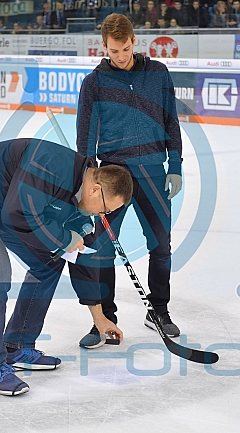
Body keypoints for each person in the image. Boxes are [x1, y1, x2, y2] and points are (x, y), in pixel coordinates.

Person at [0, 138, 132, 395]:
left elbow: (77, 257)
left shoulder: (81, 200)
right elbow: (18, 213)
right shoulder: (53, 166)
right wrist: (64, 239)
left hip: (1, 203)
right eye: (106, 209)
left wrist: (99, 317)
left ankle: (17, 344)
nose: (102, 216)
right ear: (95, 189)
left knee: (48, 264)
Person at [74, 14, 184, 349]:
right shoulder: (94, 83)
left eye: (124, 49)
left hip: (152, 171)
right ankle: (105, 318)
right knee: (102, 249)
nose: (119, 56)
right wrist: (86, 178)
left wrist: (175, 164)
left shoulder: (158, 74)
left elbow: (171, 121)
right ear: (103, 46)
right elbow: (85, 138)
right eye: (112, 51)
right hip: (113, 175)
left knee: (160, 245)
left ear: (134, 41)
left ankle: (159, 311)